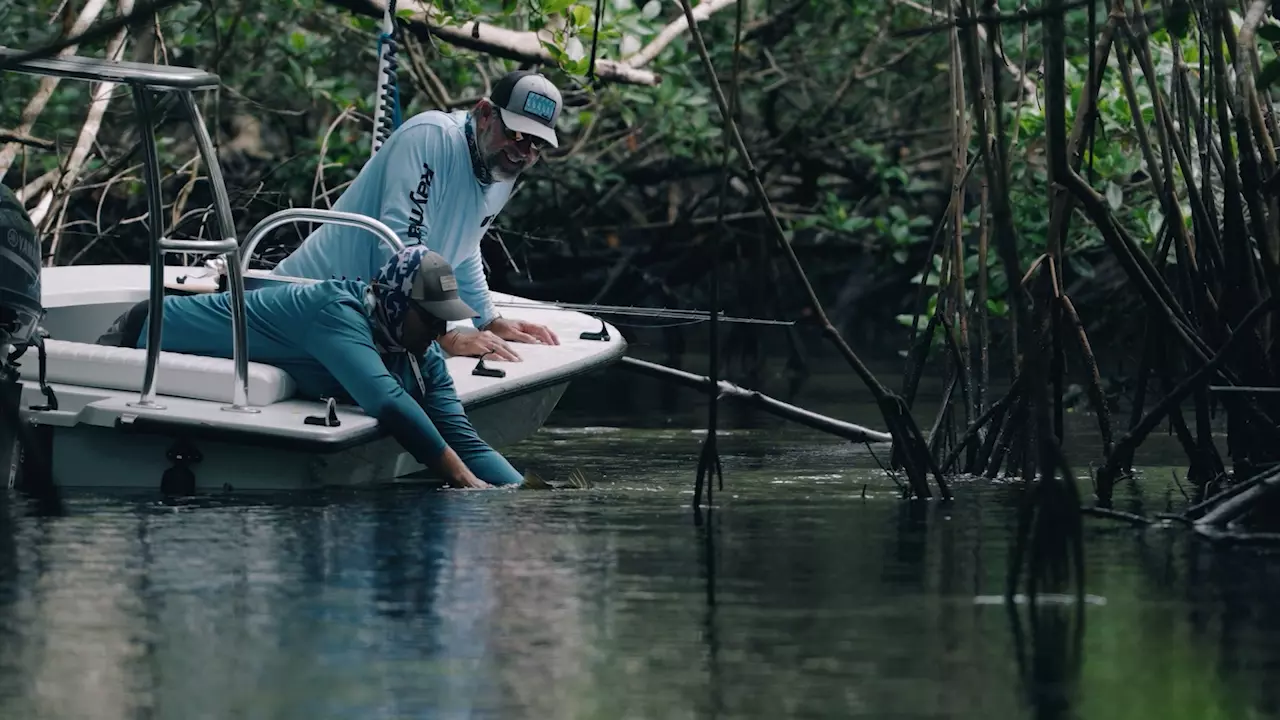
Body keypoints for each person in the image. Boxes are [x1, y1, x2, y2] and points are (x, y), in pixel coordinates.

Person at [97, 247, 524, 489]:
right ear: (395, 303)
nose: (440, 328)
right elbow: (386, 401)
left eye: (445, 317)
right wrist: (464, 482)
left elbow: (464, 439)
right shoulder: (334, 312)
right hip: (144, 331)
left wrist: (518, 496)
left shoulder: (420, 351)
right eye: (429, 315)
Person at [271, 69, 565, 363]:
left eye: (536, 143)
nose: (523, 151)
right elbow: (402, 247)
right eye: (516, 134)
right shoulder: (432, 136)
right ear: (485, 113)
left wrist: (488, 319)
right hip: (302, 303)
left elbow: (465, 244)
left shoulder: (499, 168)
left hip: (361, 320)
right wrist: (446, 334)